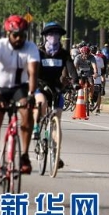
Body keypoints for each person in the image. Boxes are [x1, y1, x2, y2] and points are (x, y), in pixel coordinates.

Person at [0, 15, 39, 186]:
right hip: (0, 87)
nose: (19, 39)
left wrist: (31, 94)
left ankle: (24, 155)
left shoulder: (31, 47)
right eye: (15, 35)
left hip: (19, 87)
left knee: (27, 113)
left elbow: (33, 72)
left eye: (22, 35)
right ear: (8, 33)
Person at [35, 22, 76, 170]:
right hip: (40, 85)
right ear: (46, 37)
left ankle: (55, 155)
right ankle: (36, 127)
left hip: (56, 87)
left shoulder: (63, 54)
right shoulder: (39, 52)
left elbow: (71, 68)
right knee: (41, 103)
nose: (54, 37)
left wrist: (76, 81)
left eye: (57, 34)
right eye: (51, 34)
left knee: (57, 118)